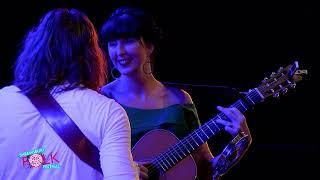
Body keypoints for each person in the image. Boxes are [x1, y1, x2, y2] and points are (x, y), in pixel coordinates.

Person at [99, 6, 252, 180]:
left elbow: (208, 168)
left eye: (128, 41)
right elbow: (64, 162)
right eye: (112, 44)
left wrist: (240, 144)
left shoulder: (180, 99)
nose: (119, 52)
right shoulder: (101, 99)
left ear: (149, 46)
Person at [0, 8, 138, 180]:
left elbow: (33, 160)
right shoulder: (108, 112)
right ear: (91, 55)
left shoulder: (3, 100)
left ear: (36, 48)